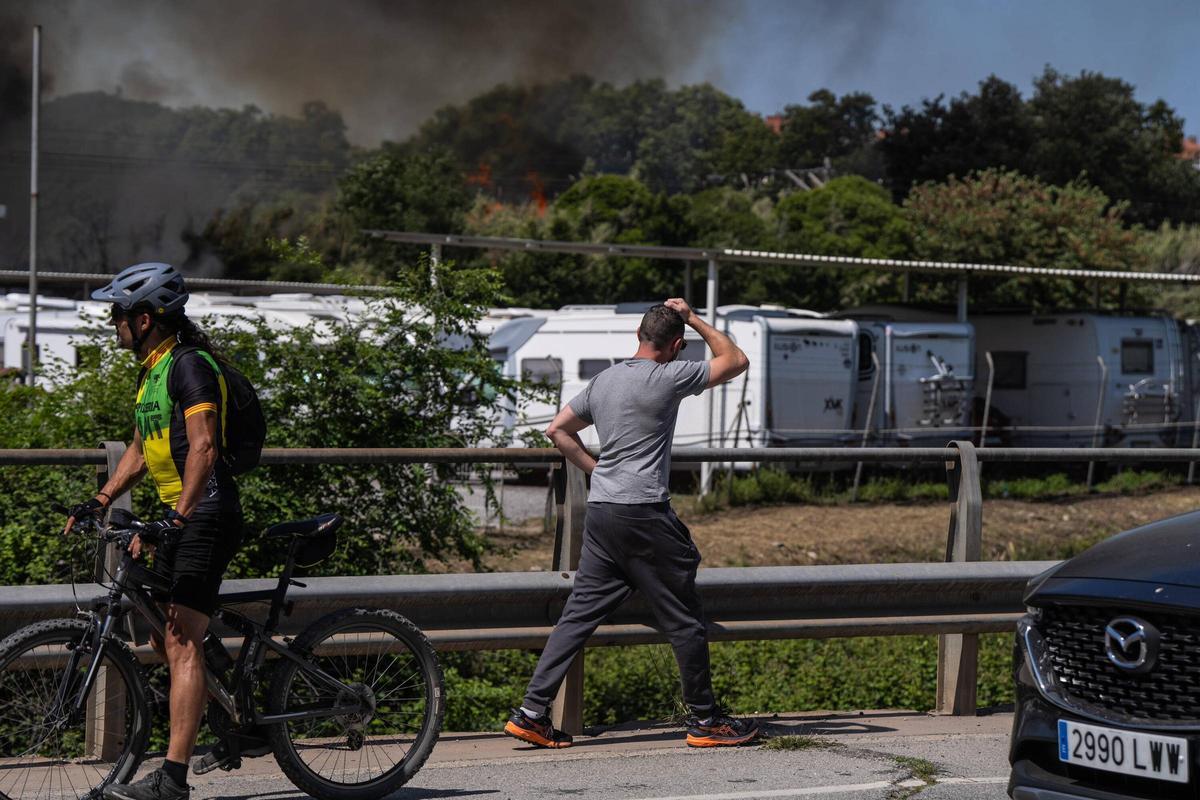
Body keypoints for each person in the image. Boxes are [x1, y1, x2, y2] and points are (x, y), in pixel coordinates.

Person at [504, 298, 761, 749]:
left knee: (576, 618)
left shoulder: (603, 381)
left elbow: (557, 430)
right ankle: (704, 721)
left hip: (603, 513)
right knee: (684, 619)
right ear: (676, 345)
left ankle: (530, 713)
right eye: (682, 345)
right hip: (644, 513)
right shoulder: (671, 376)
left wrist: (594, 469)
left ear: (639, 338)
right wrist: (695, 317)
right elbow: (735, 359)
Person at [64, 262, 244, 800]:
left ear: (144, 318)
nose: (112, 323)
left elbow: (205, 447)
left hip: (204, 513)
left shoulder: (189, 367)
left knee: (180, 638)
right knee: (154, 632)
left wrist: (178, 518)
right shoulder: (153, 370)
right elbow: (143, 448)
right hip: (176, 512)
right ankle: (232, 719)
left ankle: (173, 778)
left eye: (117, 313)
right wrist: (102, 499)